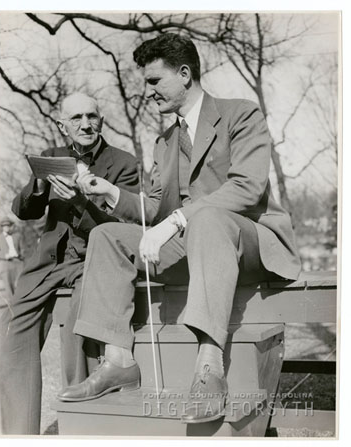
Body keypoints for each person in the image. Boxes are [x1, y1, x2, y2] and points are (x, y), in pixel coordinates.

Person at [58, 34, 301, 424]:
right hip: (192, 245)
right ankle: (118, 360)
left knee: (206, 218)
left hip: (249, 240)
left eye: (154, 81)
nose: (148, 92)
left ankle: (209, 367)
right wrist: (108, 192)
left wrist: (175, 221)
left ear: (185, 74)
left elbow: (247, 186)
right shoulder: (164, 141)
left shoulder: (241, 114)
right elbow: (155, 208)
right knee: (107, 236)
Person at [0, 92, 139, 435]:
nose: (85, 124)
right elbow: (23, 211)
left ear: (102, 121)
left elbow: (119, 230)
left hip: (94, 259)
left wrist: (79, 202)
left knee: (78, 333)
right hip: (48, 263)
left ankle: (80, 430)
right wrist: (40, 183)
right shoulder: (51, 156)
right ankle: (19, 434)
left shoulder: (123, 163)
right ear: (63, 126)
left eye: (92, 116)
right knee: (11, 329)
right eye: (76, 118)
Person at [0, 217, 24, 297]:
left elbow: (23, 249)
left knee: (21, 284)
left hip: (18, 262)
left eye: (8, 225)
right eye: (4, 226)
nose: (7, 227)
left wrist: (21, 257)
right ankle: (12, 307)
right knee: (9, 288)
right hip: (5, 263)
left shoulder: (17, 236)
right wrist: (4, 256)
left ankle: (22, 304)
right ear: (2, 227)